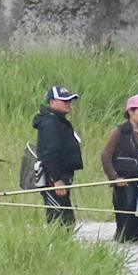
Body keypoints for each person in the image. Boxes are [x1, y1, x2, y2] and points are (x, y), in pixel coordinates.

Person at [100, 94, 138, 242]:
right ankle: (120, 247)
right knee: (125, 222)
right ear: (131, 112)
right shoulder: (119, 132)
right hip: (124, 185)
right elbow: (105, 156)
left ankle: (135, 247)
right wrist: (114, 178)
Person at [33, 85, 84, 227]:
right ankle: (55, 247)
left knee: (67, 219)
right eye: (64, 101)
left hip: (63, 177)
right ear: (52, 102)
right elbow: (49, 154)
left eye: (70, 101)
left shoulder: (58, 121)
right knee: (59, 221)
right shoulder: (50, 124)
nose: (69, 104)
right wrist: (57, 180)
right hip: (53, 180)